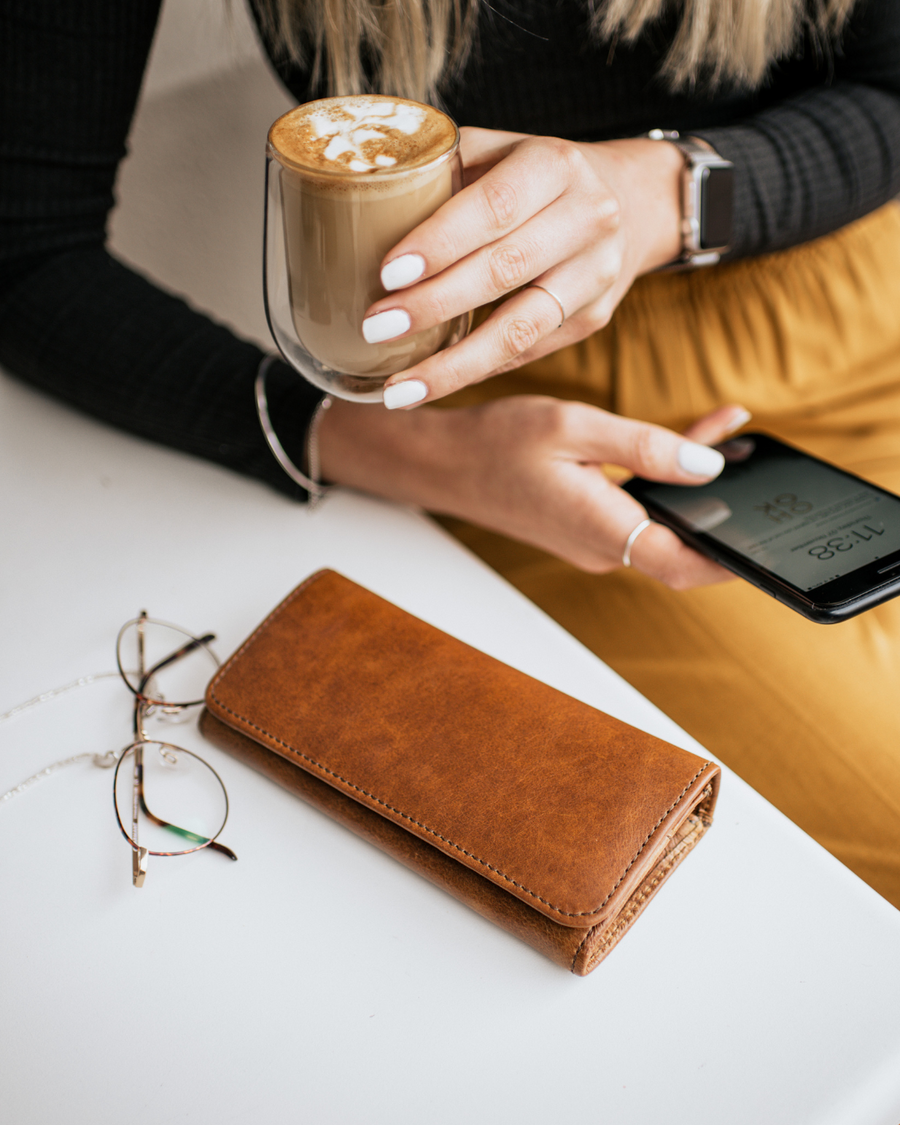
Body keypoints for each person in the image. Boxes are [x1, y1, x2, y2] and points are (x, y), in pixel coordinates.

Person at [2, 0, 900, 904]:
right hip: (529, 388)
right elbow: (28, 251)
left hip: (867, 296)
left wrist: (660, 195)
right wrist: (407, 447)